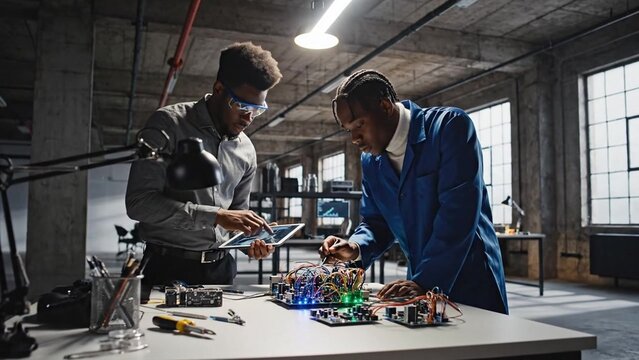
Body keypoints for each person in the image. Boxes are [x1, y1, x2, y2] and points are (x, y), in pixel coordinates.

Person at [319, 69, 508, 314]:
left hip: (470, 278)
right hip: (419, 281)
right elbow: (376, 222)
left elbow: (458, 215)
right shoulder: (371, 162)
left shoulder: (449, 128)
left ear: (385, 107)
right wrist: (355, 247)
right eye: (348, 130)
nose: (354, 137)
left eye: (360, 124)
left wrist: (426, 280)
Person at [126, 42, 282, 295]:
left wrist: (251, 242)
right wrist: (216, 216)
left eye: (257, 109)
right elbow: (139, 203)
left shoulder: (246, 149)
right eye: (242, 105)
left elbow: (236, 214)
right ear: (219, 89)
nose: (249, 117)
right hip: (166, 267)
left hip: (220, 270)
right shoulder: (169, 124)